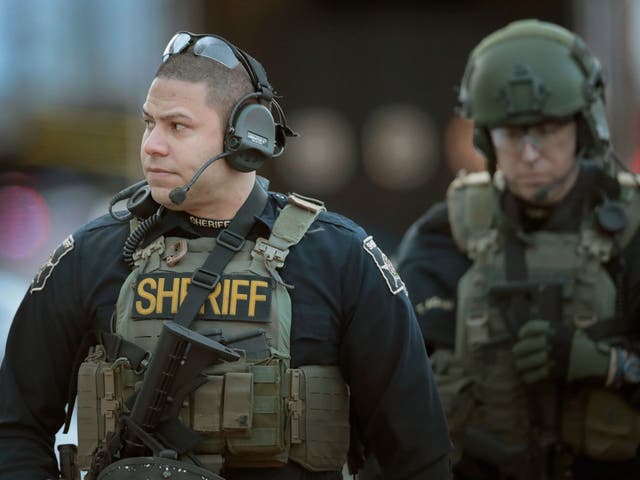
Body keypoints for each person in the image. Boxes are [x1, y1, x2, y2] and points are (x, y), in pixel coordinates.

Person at [0, 31, 452, 480]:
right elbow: (15, 430)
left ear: (245, 137)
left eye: (177, 126)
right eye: (148, 123)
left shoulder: (340, 258)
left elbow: (417, 453)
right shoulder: (89, 256)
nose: (152, 145)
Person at [396, 19, 640, 480]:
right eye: (511, 133)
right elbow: (395, 383)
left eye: (546, 130)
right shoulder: (446, 232)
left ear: (582, 127)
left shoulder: (632, 230)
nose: (529, 153)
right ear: (488, 139)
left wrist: (605, 364)